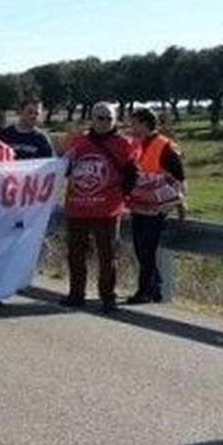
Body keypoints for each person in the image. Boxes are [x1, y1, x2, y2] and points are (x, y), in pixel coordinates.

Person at [61, 102, 139, 313]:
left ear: (115, 121)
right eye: (100, 118)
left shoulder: (124, 144)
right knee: (75, 254)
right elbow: (62, 168)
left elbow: (133, 175)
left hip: (107, 210)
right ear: (91, 119)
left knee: (107, 256)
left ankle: (108, 297)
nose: (104, 122)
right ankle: (76, 294)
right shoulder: (77, 142)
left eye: (108, 118)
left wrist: (123, 197)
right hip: (77, 208)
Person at [125, 108, 187, 304]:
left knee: (146, 248)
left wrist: (180, 207)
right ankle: (156, 288)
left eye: (133, 123)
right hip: (138, 204)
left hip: (157, 207)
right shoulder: (134, 144)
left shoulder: (166, 146)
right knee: (140, 247)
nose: (130, 127)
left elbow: (180, 179)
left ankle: (144, 291)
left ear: (144, 124)